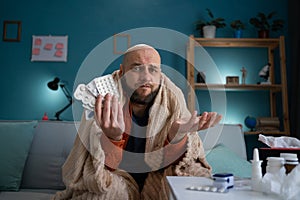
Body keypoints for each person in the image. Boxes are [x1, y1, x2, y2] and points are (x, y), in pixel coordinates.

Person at [53, 44, 222, 200]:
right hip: (117, 178)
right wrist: (113, 138)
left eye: (153, 70)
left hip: (157, 177)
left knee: (194, 181)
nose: (146, 77)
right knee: (103, 194)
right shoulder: (101, 100)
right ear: (121, 72)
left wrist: (176, 137)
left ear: (160, 74)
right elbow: (97, 171)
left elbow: (174, 164)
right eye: (137, 68)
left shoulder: (173, 98)